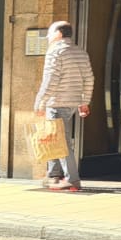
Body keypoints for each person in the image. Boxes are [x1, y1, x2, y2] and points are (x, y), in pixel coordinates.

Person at [32, 20, 94, 191]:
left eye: (50, 34)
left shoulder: (55, 52)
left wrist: (40, 102)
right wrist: (84, 102)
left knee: (60, 141)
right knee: (54, 137)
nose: (47, 38)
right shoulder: (80, 52)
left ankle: (72, 179)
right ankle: (53, 175)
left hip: (57, 102)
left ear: (59, 34)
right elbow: (88, 79)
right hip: (72, 102)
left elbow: (50, 81)